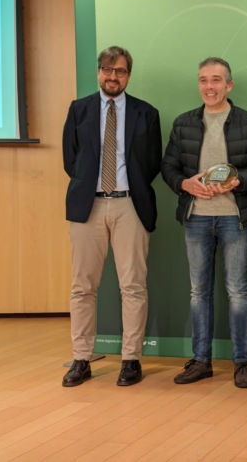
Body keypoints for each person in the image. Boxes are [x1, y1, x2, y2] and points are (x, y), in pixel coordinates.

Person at [161, 57, 247, 389]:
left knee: (238, 292)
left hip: (235, 219)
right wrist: (184, 184)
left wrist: (239, 181)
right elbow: (168, 167)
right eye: (203, 80)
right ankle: (201, 361)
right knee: (198, 292)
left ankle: (242, 363)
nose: (209, 87)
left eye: (216, 80)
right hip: (196, 219)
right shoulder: (183, 124)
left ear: (229, 85)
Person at [61, 46, 162, 387]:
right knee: (82, 287)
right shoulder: (79, 109)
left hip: (130, 205)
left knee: (132, 286)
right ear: (98, 72)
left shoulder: (147, 113)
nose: (112, 76)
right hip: (87, 207)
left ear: (128, 75)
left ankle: (131, 359)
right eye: (107, 69)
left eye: (119, 71)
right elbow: (71, 161)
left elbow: (151, 163)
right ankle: (81, 359)